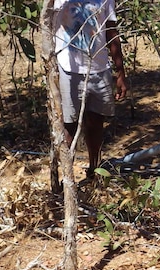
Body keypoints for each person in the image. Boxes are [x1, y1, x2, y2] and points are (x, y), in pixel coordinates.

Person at [54, 0, 128, 178]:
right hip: (67, 69)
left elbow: (111, 31)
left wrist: (120, 72)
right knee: (68, 126)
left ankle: (94, 170)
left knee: (95, 123)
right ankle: (67, 178)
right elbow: (47, 27)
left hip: (99, 68)